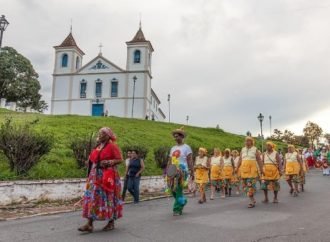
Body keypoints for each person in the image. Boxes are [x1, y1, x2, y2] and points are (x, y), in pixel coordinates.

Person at [79, 127, 123, 233]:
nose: (100, 135)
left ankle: (111, 222)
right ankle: (89, 224)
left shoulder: (112, 146)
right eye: (99, 133)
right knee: (93, 197)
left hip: (107, 176)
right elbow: (93, 159)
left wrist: (109, 162)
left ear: (108, 136)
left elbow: (120, 159)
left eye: (102, 133)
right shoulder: (98, 146)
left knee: (109, 197)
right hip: (95, 176)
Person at [167, 127, 193, 216]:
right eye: (174, 136)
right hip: (172, 171)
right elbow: (170, 160)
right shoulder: (173, 148)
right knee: (172, 189)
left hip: (182, 171)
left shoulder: (187, 147)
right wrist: (167, 171)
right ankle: (183, 201)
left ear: (182, 137)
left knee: (178, 189)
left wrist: (191, 171)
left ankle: (176, 209)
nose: (175, 138)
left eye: (177, 136)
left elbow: (190, 160)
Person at [236, 136, 263, 208]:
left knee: (250, 185)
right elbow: (240, 160)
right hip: (244, 170)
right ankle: (253, 199)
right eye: (246, 141)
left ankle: (251, 201)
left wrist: (261, 169)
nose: (247, 142)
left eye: (248, 141)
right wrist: (236, 168)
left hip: (252, 170)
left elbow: (259, 160)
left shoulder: (255, 149)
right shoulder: (243, 149)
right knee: (244, 186)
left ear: (252, 142)